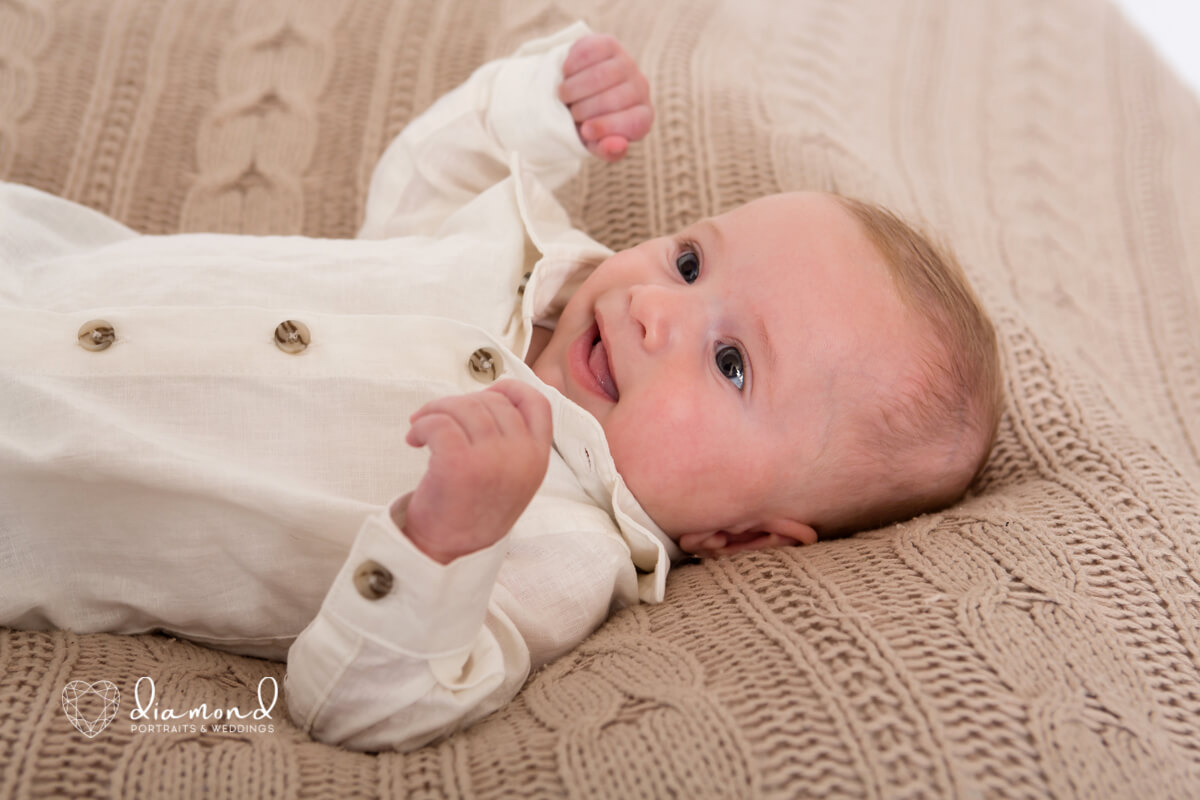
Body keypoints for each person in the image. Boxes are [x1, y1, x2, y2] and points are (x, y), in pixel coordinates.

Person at [0, 22, 1001, 751]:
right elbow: (420, 185)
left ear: (739, 538)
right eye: (692, 262)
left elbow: (360, 702)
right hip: (38, 264)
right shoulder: (529, 257)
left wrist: (445, 540)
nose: (657, 310)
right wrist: (545, 103)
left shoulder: (557, 546)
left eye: (731, 361)